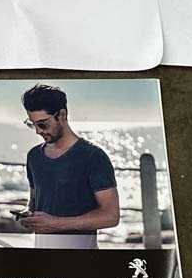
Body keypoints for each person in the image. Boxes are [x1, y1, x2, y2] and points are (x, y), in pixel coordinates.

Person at [17, 83, 120, 249]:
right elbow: (35, 202)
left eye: (42, 124)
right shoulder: (34, 156)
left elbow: (111, 216)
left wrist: (55, 224)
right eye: (32, 124)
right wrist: (29, 215)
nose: (37, 131)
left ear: (62, 115)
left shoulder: (93, 156)